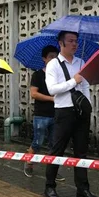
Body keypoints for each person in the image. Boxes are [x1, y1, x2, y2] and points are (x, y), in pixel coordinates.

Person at [44, 31, 98, 197]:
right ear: (61, 43)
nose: (75, 44)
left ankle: (83, 188)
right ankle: (50, 185)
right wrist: (73, 81)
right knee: (57, 150)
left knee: (81, 151)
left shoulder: (81, 62)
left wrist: (88, 106)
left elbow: (85, 86)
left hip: (81, 112)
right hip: (64, 111)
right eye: (71, 41)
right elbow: (52, 89)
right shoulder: (53, 65)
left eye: (76, 41)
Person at [24, 45, 59, 178]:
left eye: (56, 57)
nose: (54, 59)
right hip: (41, 115)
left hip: (56, 114)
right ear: (44, 58)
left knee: (54, 144)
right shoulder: (38, 74)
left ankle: (52, 172)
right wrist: (51, 99)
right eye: (50, 57)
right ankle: (29, 163)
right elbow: (34, 94)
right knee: (38, 142)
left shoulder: (59, 75)